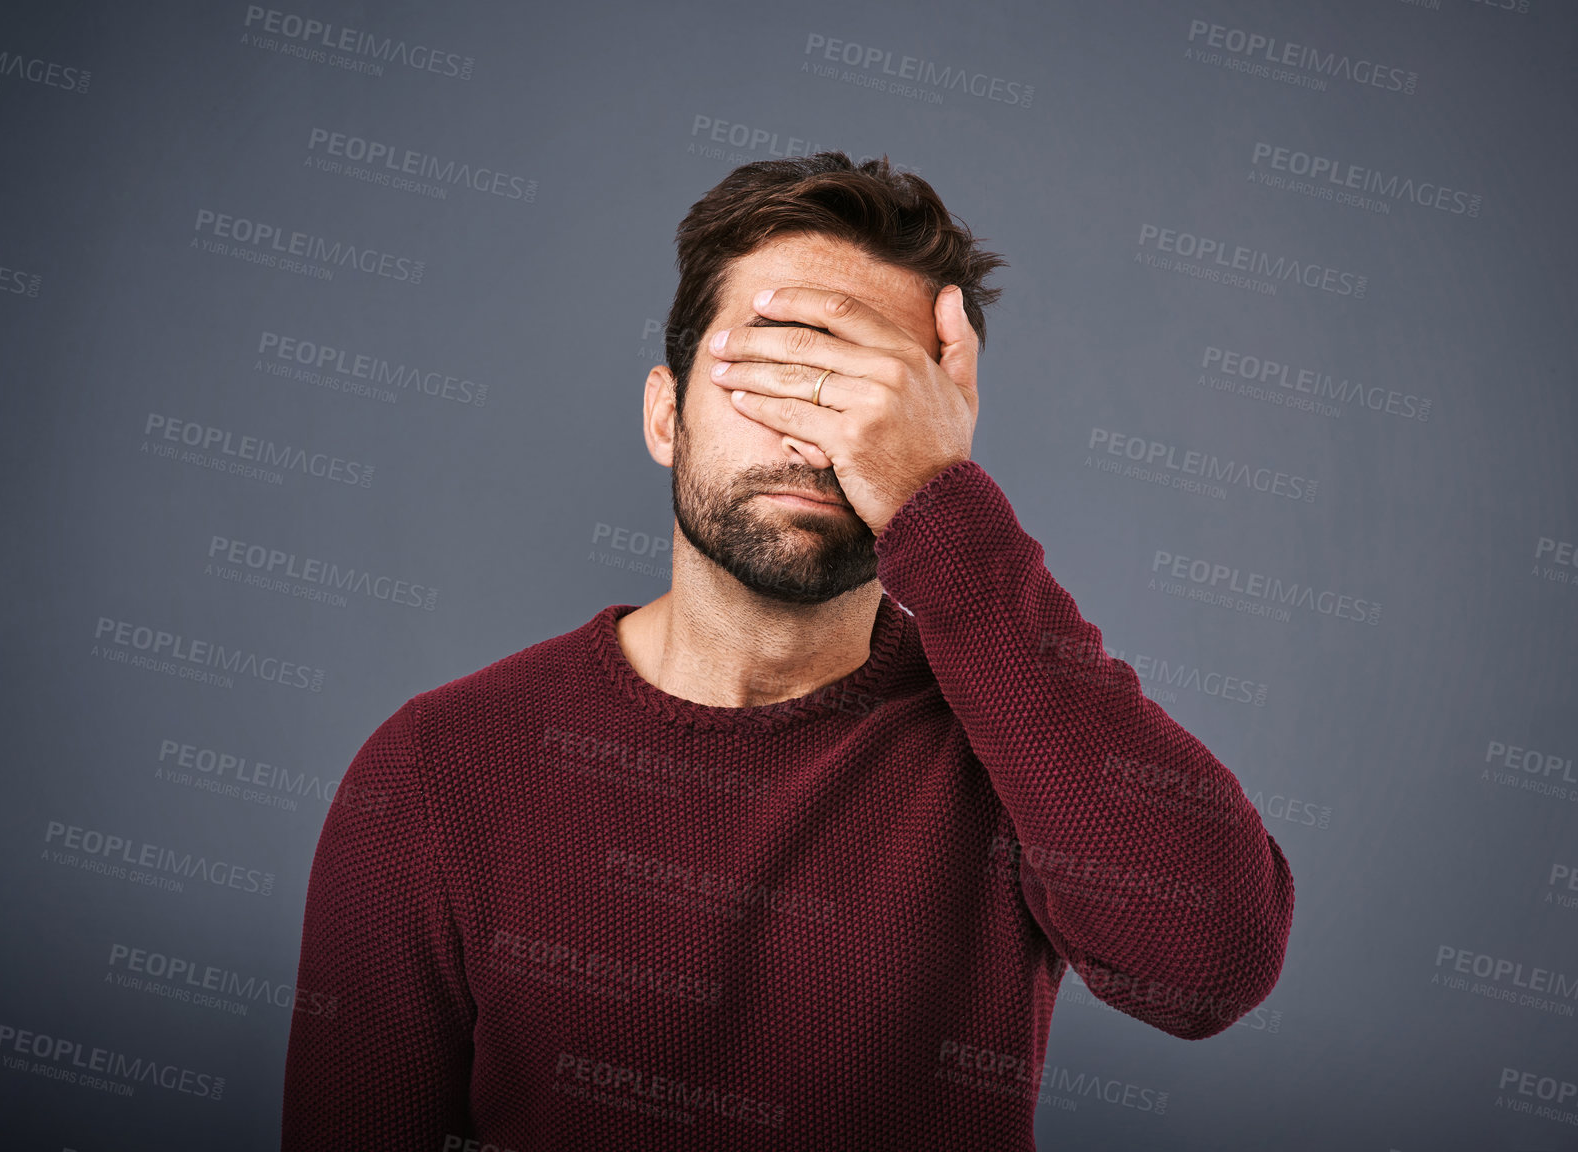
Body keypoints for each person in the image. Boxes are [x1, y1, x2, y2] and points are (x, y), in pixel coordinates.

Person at [282, 151, 1294, 1150]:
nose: (815, 437)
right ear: (665, 414)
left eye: (869, 394)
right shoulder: (438, 767)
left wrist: (943, 512)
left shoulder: (1013, 736)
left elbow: (1208, 967)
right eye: (773, 372)